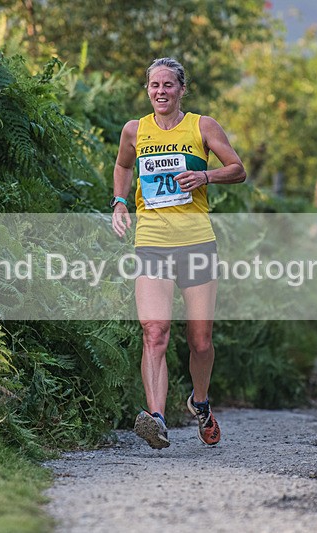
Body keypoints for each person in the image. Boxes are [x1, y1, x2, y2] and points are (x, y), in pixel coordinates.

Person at [110, 57, 246, 449]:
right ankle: (156, 419)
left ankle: (199, 402)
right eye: (154, 85)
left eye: (168, 85)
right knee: (155, 331)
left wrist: (205, 175)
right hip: (151, 240)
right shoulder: (135, 130)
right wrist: (120, 202)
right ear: (147, 89)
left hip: (197, 242)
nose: (161, 92)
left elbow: (238, 169)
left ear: (182, 89)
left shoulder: (202, 126)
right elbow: (122, 166)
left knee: (200, 341)